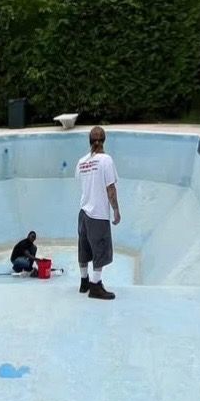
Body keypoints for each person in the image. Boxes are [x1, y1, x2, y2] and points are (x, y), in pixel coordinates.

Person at [76, 126, 120, 300]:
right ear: (104, 141)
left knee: (84, 248)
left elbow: (81, 182)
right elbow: (110, 188)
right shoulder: (106, 160)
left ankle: (84, 282)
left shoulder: (81, 162)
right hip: (98, 214)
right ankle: (95, 287)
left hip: (83, 212)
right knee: (100, 251)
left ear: (89, 141)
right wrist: (116, 209)